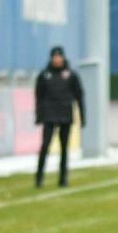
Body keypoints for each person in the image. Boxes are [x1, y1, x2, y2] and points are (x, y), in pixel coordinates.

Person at [34, 46, 85, 188]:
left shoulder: (71, 75)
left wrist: (82, 116)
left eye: (59, 56)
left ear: (63, 57)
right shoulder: (44, 75)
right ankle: (39, 178)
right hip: (49, 115)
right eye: (54, 56)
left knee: (64, 148)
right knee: (45, 146)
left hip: (65, 115)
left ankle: (63, 178)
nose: (57, 59)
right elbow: (39, 97)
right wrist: (39, 115)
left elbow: (79, 97)